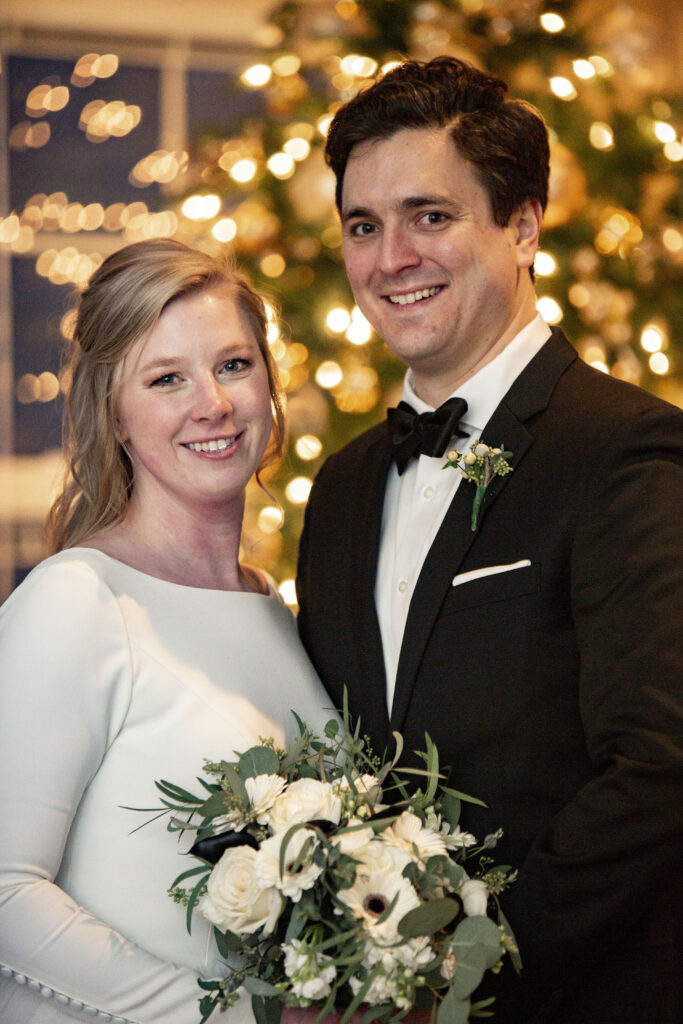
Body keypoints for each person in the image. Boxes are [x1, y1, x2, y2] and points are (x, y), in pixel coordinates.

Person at [296, 57, 683, 1024]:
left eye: (430, 216)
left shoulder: (623, 446)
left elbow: (660, 765)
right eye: (362, 226)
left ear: (521, 224)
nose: (391, 259)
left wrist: (467, 973)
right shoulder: (341, 488)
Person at [0, 239, 335, 1024]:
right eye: (165, 379)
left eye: (232, 365)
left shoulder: (274, 609)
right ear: (113, 413)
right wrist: (232, 1018)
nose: (212, 404)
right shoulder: (76, 601)